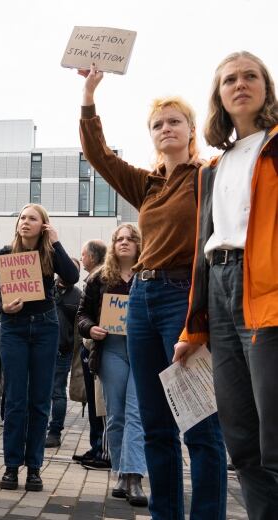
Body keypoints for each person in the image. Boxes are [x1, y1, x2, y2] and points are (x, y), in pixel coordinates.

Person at [78, 64, 227, 519]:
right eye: (158, 124)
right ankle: (166, 513)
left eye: (174, 121)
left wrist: (198, 316)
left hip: (184, 297)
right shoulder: (148, 185)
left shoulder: (208, 174)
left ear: (191, 130)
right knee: (157, 425)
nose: (166, 128)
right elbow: (99, 155)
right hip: (140, 301)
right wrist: (89, 95)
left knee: (200, 422)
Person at [174, 51, 278, 520]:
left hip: (268, 292)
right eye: (230, 79)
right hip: (219, 285)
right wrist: (193, 330)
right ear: (219, 94)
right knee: (240, 440)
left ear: (266, 86)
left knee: (274, 436)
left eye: (250, 76)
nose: (240, 84)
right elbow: (201, 249)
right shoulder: (212, 168)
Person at [0, 203, 78, 492]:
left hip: (45, 327)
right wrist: (5, 307)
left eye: (32, 218)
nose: (25, 222)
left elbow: (73, 278)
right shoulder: (5, 254)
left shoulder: (50, 254)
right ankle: (12, 467)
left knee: (40, 400)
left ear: (44, 225)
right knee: (15, 399)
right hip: (14, 328)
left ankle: (35, 468)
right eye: (22, 218)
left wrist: (56, 241)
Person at [77, 224, 147, 506]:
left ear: (140, 244)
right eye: (120, 239)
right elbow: (82, 315)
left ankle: (135, 477)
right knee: (116, 415)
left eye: (131, 239)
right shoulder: (99, 279)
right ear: (113, 244)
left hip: (142, 351)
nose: (125, 243)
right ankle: (119, 471)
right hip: (112, 351)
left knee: (135, 413)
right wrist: (91, 329)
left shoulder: (148, 275)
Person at [73, 239, 108, 468]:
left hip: (101, 347)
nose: (81, 258)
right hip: (89, 345)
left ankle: (103, 450)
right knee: (94, 403)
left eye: (83, 254)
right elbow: (83, 315)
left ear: (93, 257)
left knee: (101, 403)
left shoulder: (103, 279)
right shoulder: (92, 279)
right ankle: (96, 446)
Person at [45, 258, 82, 448]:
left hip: (62, 351)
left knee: (57, 392)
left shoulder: (78, 296)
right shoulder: (45, 288)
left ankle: (54, 432)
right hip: (41, 347)